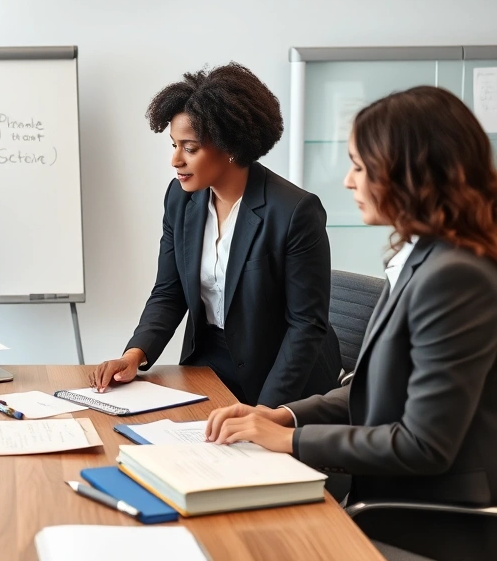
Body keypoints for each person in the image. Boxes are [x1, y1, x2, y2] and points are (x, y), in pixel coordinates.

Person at [205, 86, 497, 558]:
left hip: (430, 522)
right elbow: (372, 386)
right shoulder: (421, 256)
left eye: (360, 166)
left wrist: (290, 440)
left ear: (411, 173)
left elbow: (423, 444)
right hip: (384, 500)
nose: (347, 181)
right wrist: (284, 414)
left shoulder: (456, 275)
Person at [89, 63, 340, 407]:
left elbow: (306, 326)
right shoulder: (180, 199)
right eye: (173, 145)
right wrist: (135, 354)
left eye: (189, 148)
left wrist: (264, 412)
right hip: (210, 361)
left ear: (230, 145)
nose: (175, 160)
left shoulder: (295, 211)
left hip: (283, 375)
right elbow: (169, 290)